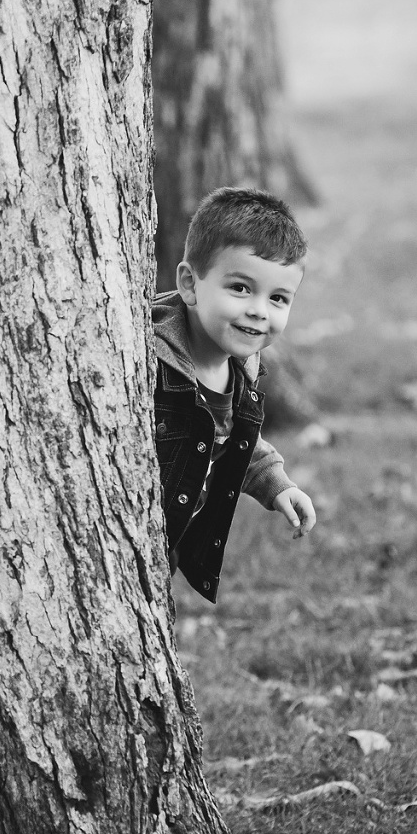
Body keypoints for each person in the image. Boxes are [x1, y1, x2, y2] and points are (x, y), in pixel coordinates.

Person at [152, 186, 316, 603]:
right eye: (241, 288)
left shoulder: (242, 369)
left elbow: (234, 441)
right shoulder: (151, 358)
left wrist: (277, 485)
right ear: (190, 284)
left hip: (160, 552)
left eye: (278, 298)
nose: (260, 310)